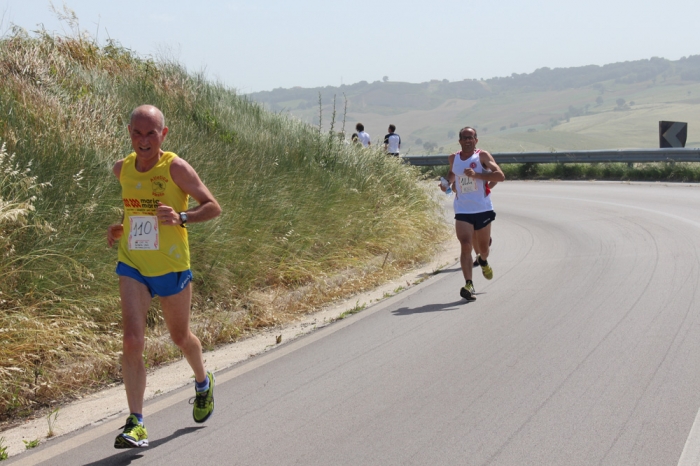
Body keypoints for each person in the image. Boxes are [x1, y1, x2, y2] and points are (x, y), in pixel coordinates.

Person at [107, 105, 222, 448]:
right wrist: (120, 227)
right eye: (137, 133)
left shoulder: (175, 168)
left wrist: (183, 217)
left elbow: (213, 206)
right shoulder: (121, 169)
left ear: (164, 134)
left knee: (181, 337)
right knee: (131, 340)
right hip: (133, 265)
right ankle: (136, 422)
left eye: (151, 133)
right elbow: (134, 209)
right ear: (129, 133)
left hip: (171, 266)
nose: (144, 141)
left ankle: (202, 381)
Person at [439, 126, 504, 302]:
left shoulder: (482, 156)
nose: (468, 140)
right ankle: (469, 284)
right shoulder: (454, 158)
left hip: (482, 208)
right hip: (462, 209)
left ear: (476, 140)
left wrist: (477, 176)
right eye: (465, 138)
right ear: (459, 141)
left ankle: (483, 260)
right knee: (466, 244)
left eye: (471, 137)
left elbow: (500, 176)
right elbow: (451, 178)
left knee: (483, 249)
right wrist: (445, 185)